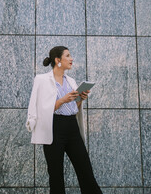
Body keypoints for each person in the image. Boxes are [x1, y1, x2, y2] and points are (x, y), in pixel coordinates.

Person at [26, 46, 102, 194]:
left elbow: (74, 107)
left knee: (85, 171)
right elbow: (40, 109)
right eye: (68, 56)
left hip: (72, 128)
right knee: (56, 176)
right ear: (58, 60)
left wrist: (80, 98)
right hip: (54, 128)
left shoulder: (71, 81)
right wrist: (62, 100)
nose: (71, 58)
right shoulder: (41, 80)